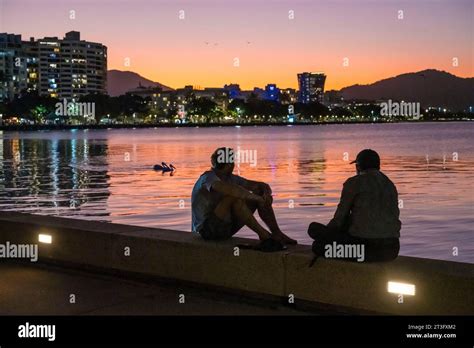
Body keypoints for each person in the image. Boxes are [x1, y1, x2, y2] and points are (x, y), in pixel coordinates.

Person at [192, 147, 297, 250]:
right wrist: (258, 199)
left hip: (226, 228)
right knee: (233, 198)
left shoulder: (231, 178)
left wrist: (265, 194)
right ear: (229, 164)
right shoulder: (208, 178)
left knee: (258, 193)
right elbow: (233, 191)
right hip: (207, 231)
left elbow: (261, 186)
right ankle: (264, 235)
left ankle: (276, 233)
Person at [308, 149, 401, 262]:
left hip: (363, 249)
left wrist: (326, 235)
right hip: (392, 250)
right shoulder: (390, 185)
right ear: (378, 166)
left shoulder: (354, 183)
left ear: (358, 167)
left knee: (316, 240)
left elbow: (338, 220)